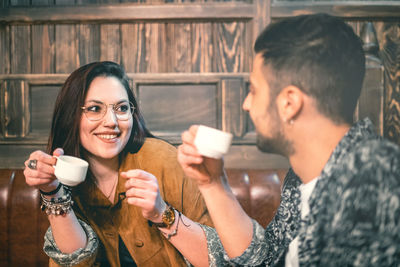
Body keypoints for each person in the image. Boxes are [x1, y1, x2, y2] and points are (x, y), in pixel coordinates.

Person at [177, 13, 400, 266]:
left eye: (253, 90)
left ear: (289, 103)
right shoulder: (306, 176)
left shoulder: (372, 181)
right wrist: (213, 183)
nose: (246, 104)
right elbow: (266, 259)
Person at [24, 61, 212, 267]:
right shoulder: (64, 176)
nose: (112, 121)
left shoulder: (163, 159)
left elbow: (215, 259)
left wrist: (161, 212)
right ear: (71, 117)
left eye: (121, 108)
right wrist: (53, 192)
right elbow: (75, 261)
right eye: (95, 109)